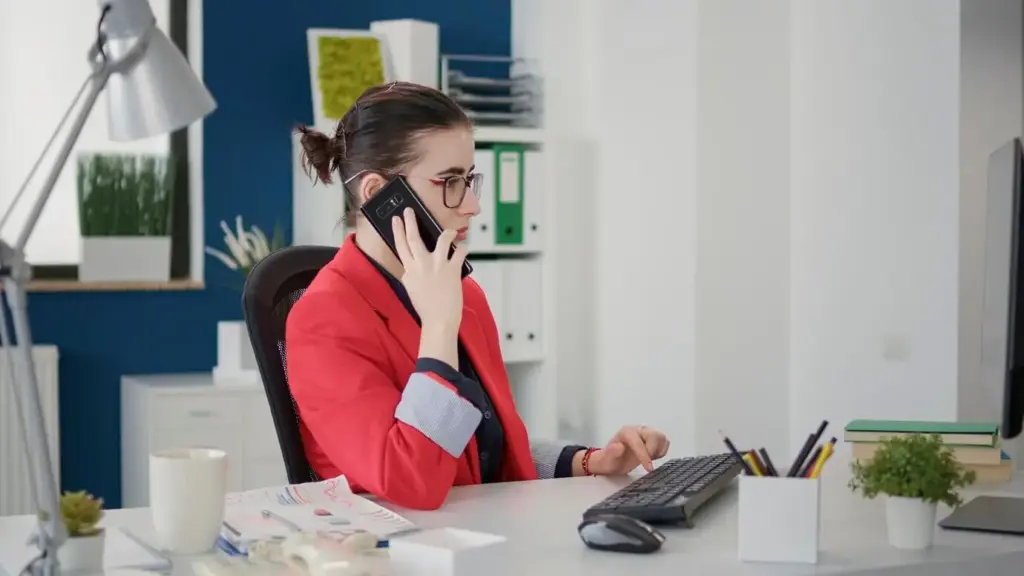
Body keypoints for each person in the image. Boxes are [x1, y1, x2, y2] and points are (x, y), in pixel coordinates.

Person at [287, 81, 671, 511]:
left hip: (482, 527)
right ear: (378, 194)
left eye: (469, 179)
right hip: (400, 539)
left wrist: (592, 461)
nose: (472, 205)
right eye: (450, 181)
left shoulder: (463, 294)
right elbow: (412, 479)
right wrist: (438, 329)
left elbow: (482, 453)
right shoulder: (323, 321)